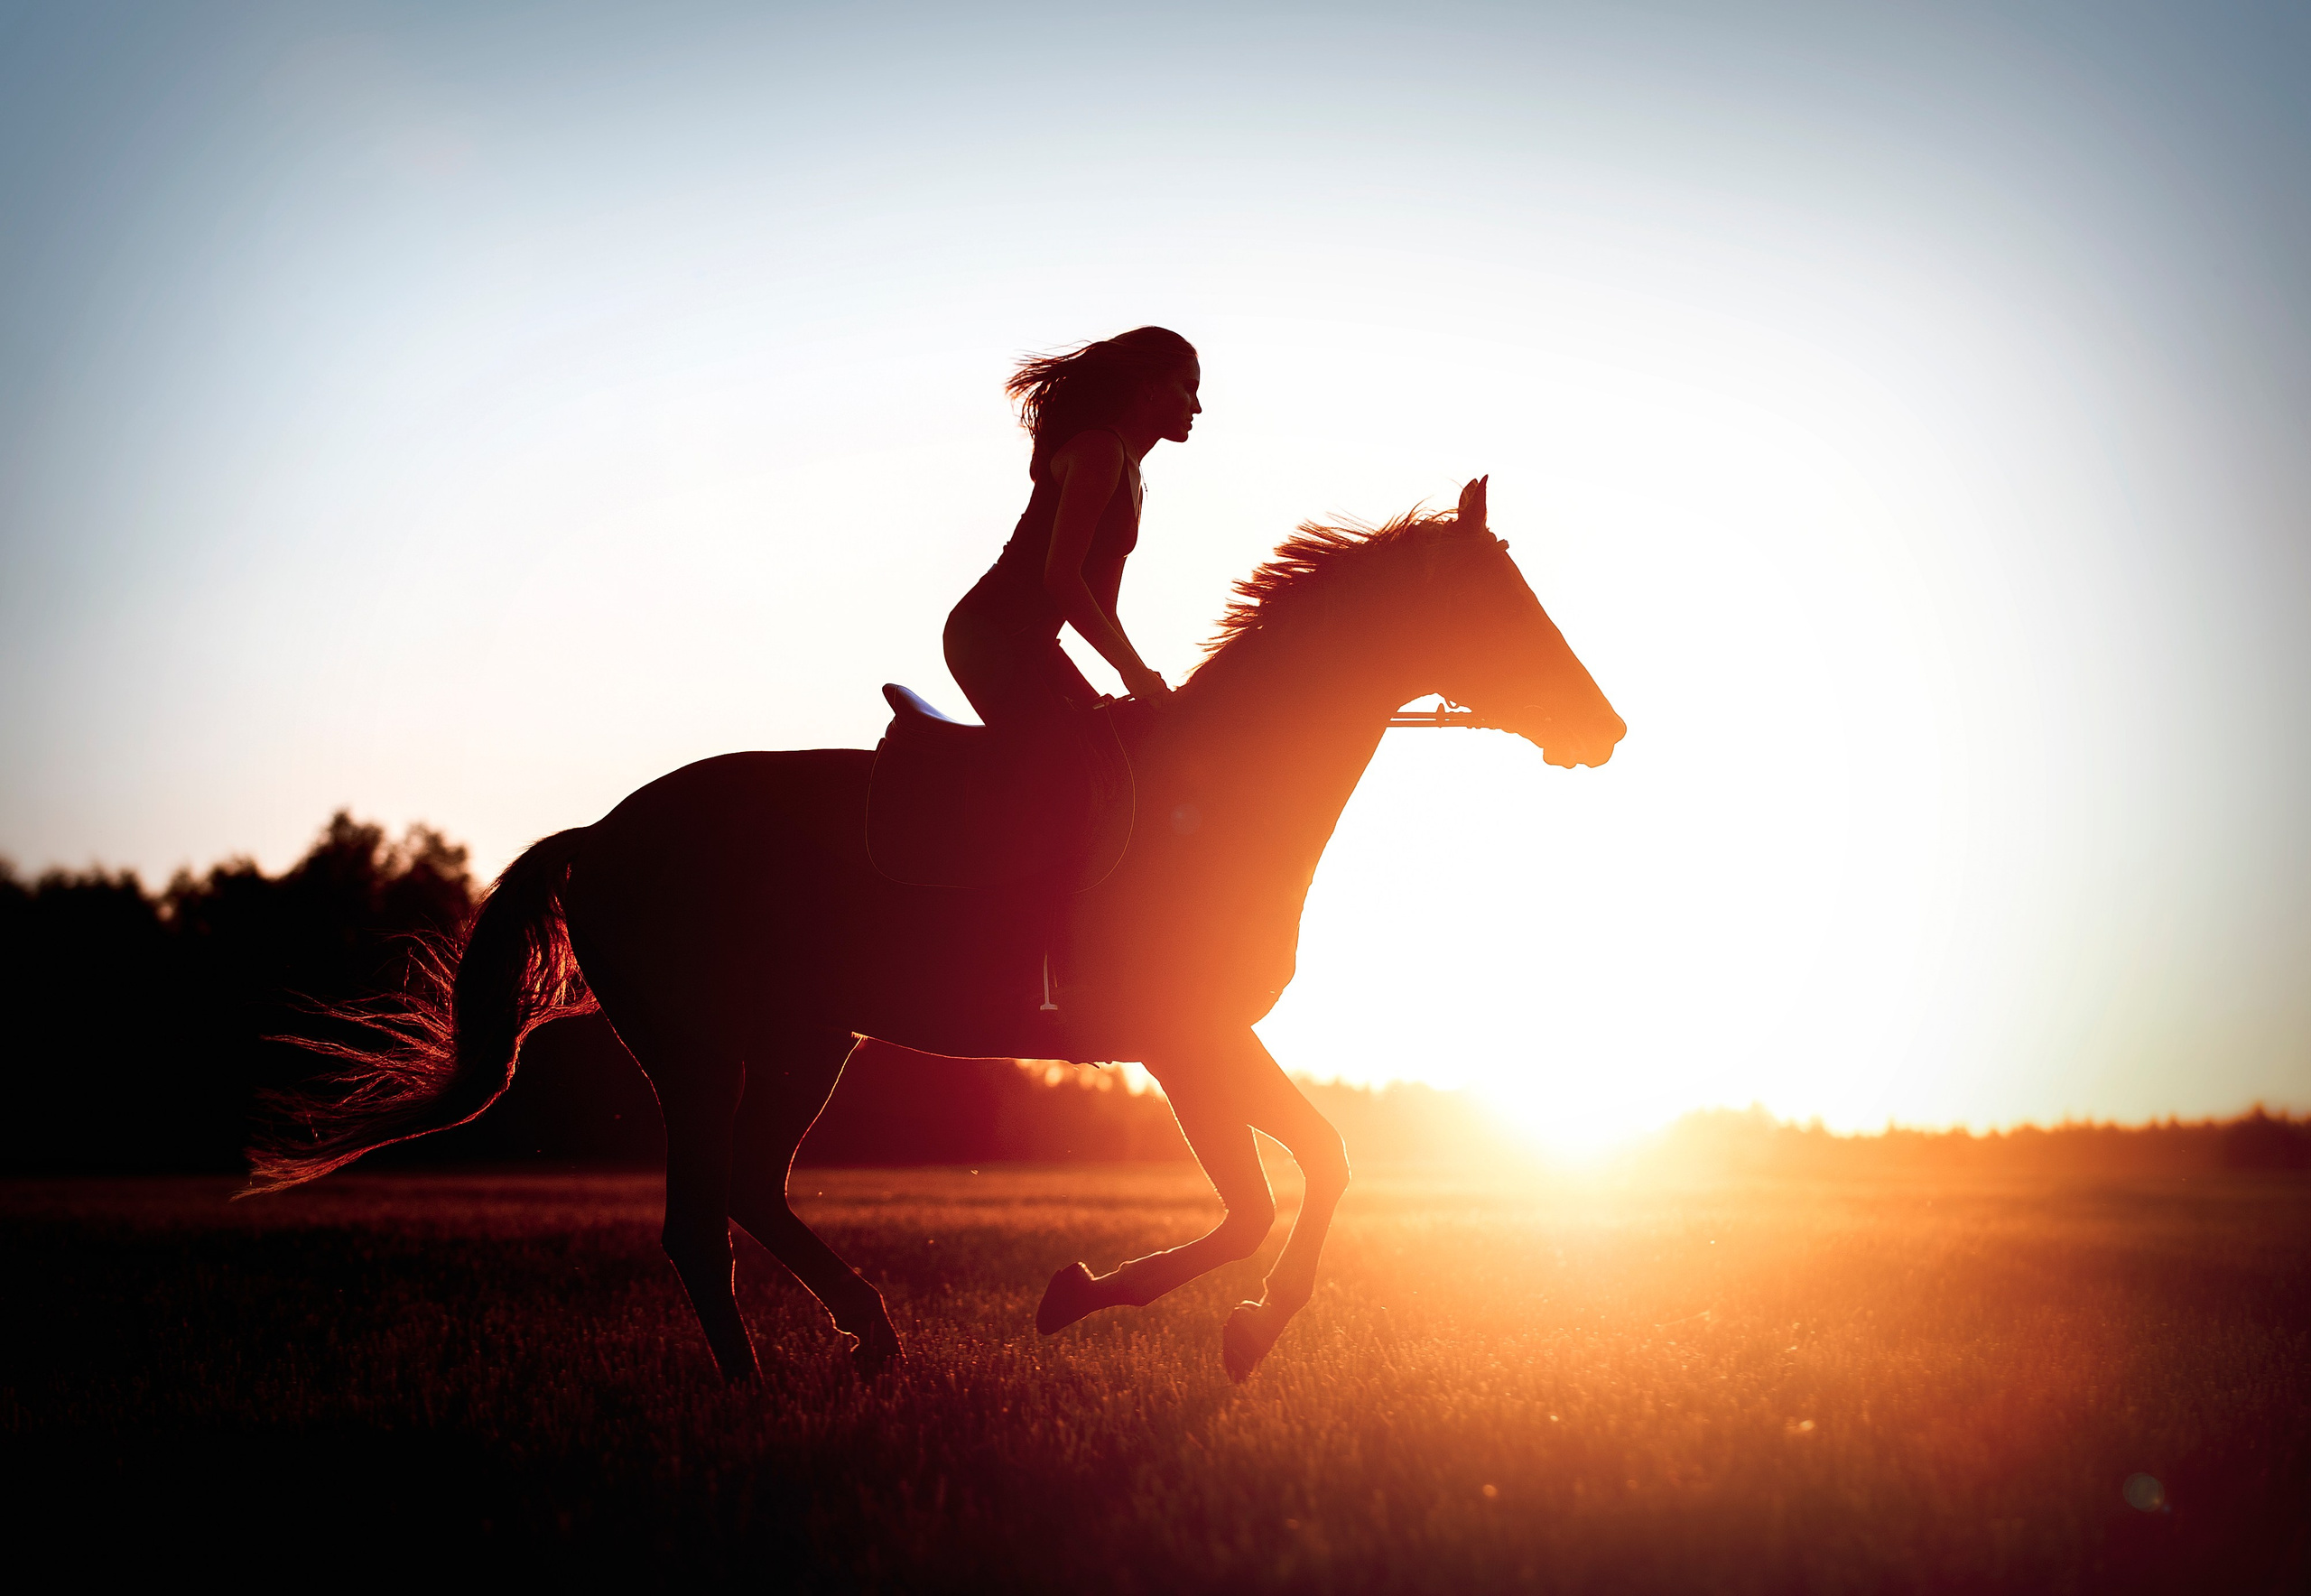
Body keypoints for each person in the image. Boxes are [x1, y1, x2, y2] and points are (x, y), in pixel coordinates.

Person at [945, 328, 1200, 738]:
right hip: (984, 636)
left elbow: (1102, 604)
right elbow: (1061, 578)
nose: (1198, 406)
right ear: (1150, 387)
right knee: (1062, 766)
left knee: (1110, 746)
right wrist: (1135, 675)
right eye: (1188, 389)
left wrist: (1141, 677)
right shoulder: (1100, 450)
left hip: (1033, 646)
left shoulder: (1132, 473)